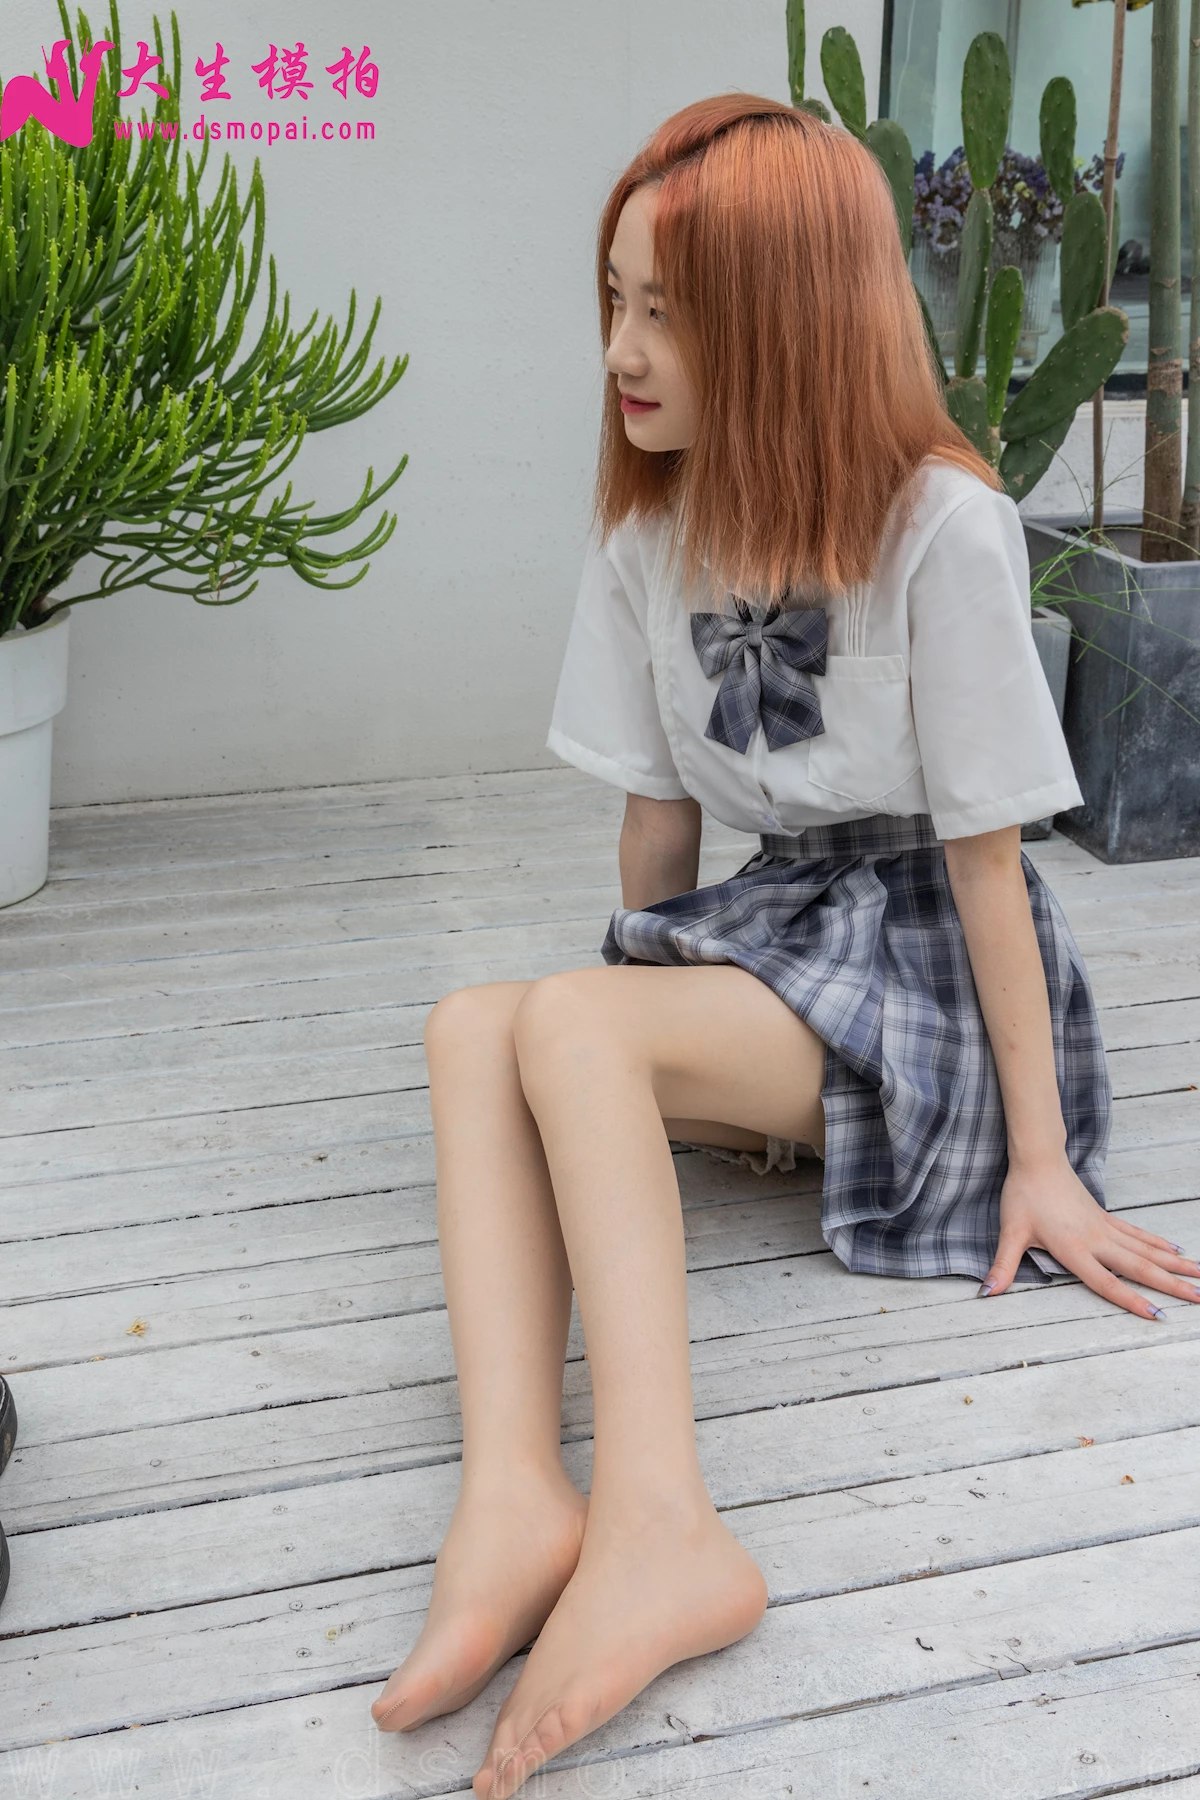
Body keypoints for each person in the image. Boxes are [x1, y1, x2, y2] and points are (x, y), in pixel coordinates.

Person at [371, 94, 1200, 1800]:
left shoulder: (940, 523)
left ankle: (664, 1524)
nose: (623, 351)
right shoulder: (647, 534)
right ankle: (517, 1494)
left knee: (572, 1028)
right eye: (614, 301)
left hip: (930, 966)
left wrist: (1043, 1161)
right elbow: (659, 834)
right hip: (773, 928)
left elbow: (987, 863)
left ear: (791, 318)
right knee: (476, 1026)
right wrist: (607, 1048)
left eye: (668, 311)